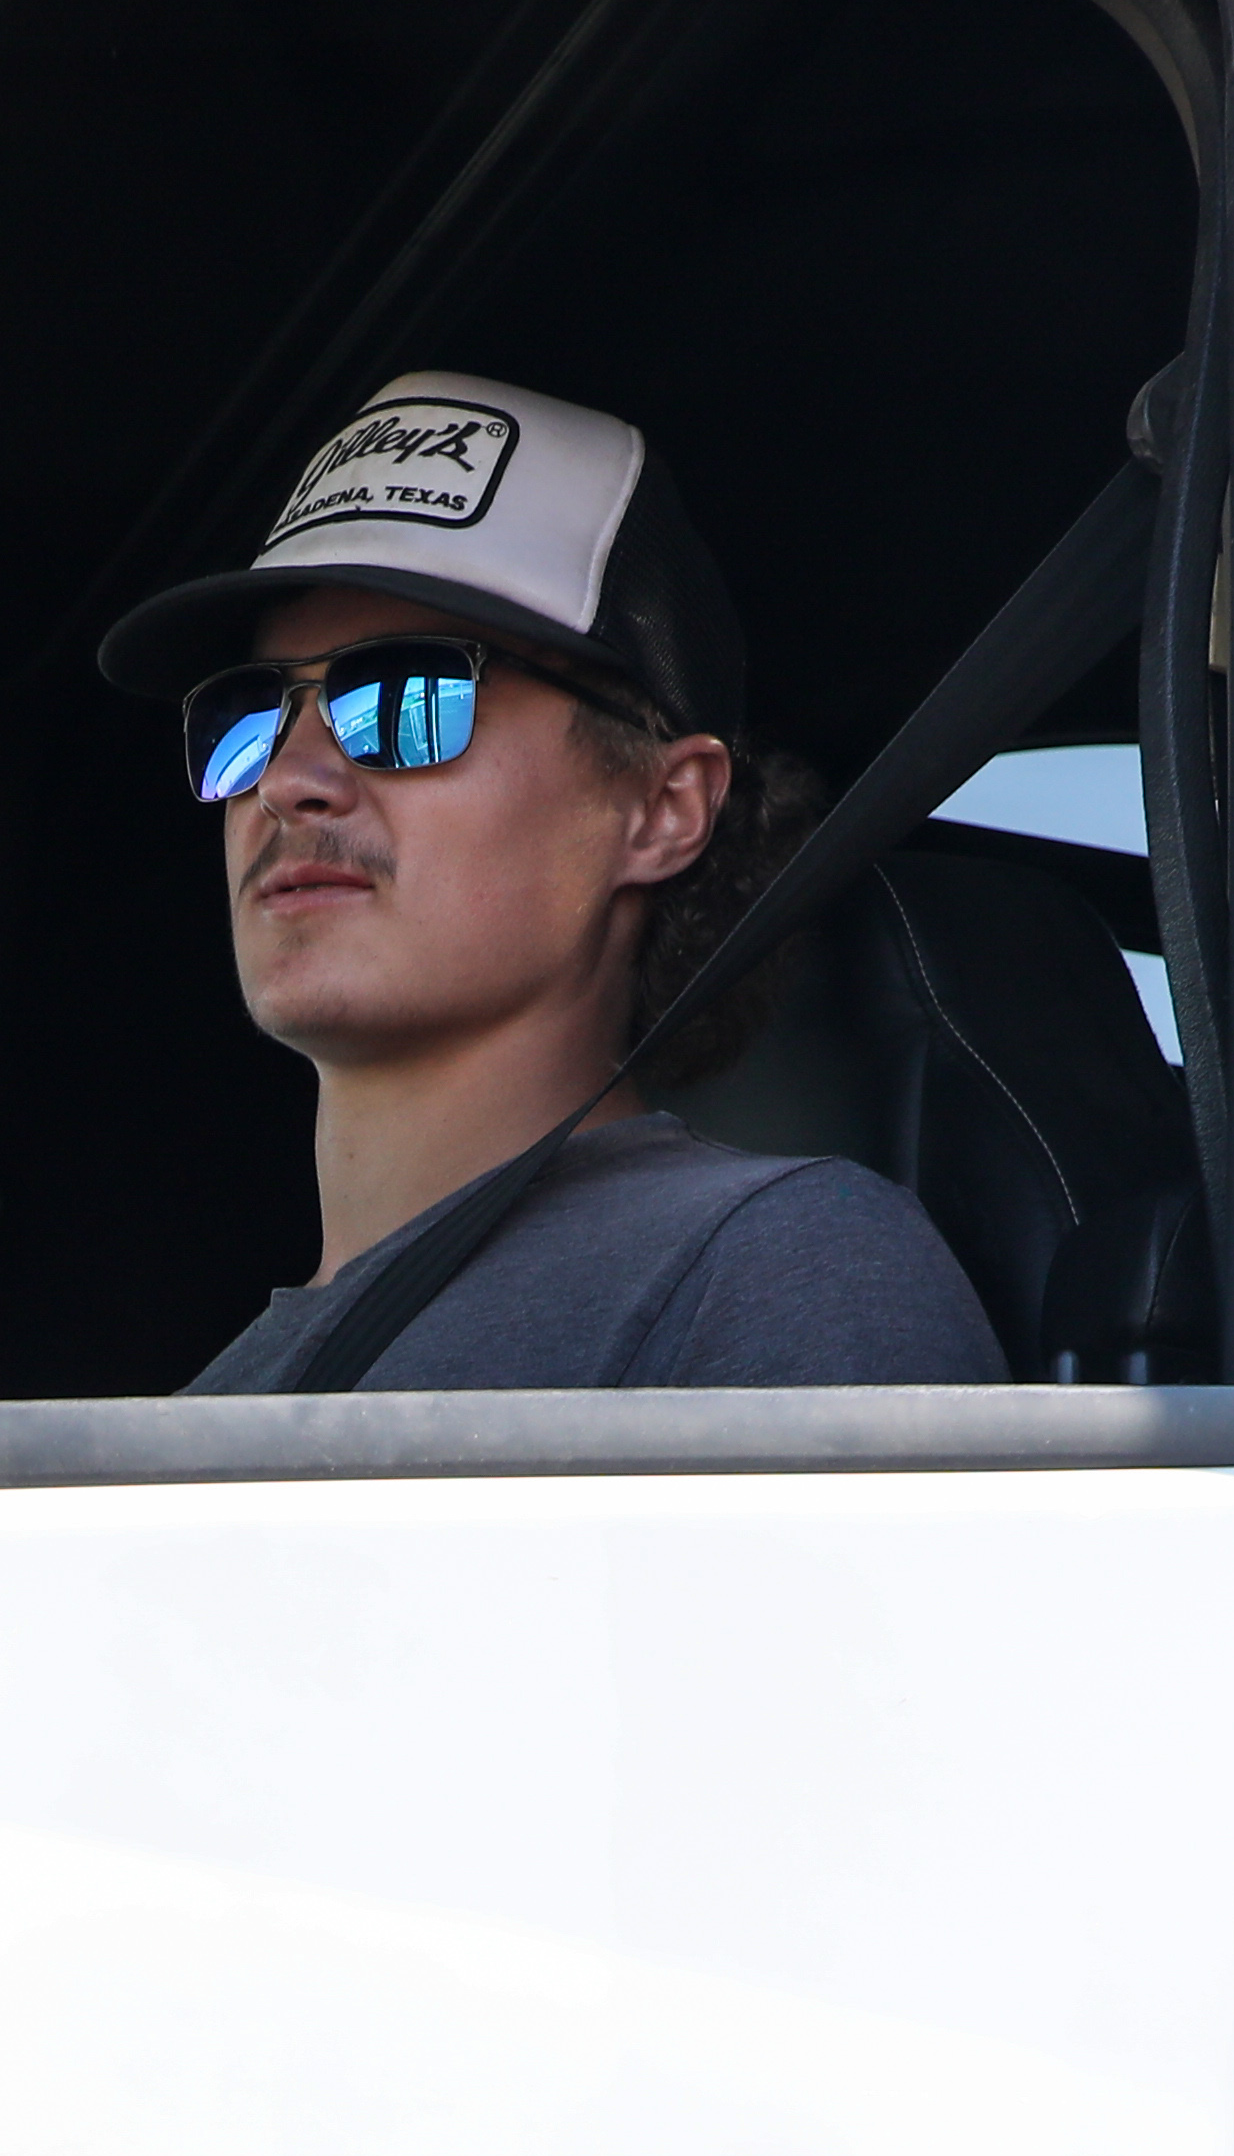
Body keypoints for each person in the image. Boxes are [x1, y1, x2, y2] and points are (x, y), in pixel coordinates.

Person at [97, 372, 1001, 1394]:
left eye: (404, 696)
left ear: (663, 810)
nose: (289, 778)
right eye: (248, 717)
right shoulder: (204, 1405)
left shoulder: (777, 1267)